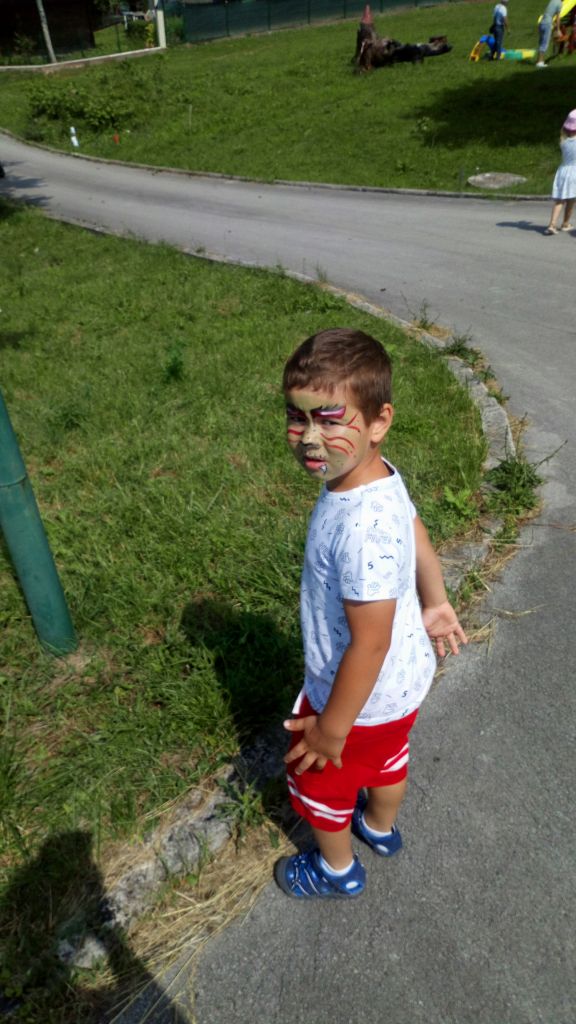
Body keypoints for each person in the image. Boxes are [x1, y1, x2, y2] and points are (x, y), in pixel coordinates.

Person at [274, 328, 467, 899]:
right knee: (387, 763)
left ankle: (337, 870)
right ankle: (380, 828)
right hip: (403, 687)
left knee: (321, 785)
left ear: (379, 421)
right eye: (297, 417)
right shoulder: (379, 477)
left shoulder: (360, 527)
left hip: (356, 698)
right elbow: (416, 529)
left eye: (330, 420)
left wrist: (330, 730)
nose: (310, 438)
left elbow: (370, 642)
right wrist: (436, 601)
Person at [545, 109, 576, 234]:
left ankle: (552, 225)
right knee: (571, 199)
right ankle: (565, 223)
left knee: (560, 199)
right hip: (574, 172)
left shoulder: (563, 141)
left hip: (563, 171)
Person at [536, 0, 562, 66]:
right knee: (544, 44)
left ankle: (539, 61)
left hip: (542, 22)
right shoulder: (559, 3)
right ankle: (540, 62)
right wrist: (558, 29)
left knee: (541, 43)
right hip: (547, 23)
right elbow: (558, 18)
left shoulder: (552, 1)